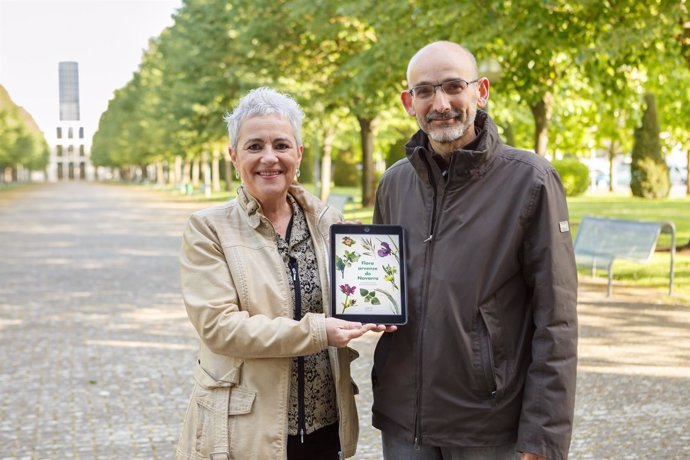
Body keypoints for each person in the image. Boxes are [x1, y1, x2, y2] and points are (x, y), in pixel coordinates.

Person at [371, 41, 578, 460]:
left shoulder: (532, 181)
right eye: (425, 91)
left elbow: (556, 319)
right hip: (403, 420)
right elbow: (381, 285)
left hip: (488, 424)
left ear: (480, 91)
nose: (441, 103)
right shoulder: (394, 183)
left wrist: (543, 436)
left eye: (453, 86)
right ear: (408, 102)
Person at [175, 87, 393, 460]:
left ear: (299, 153)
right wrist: (316, 331)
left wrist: (379, 304)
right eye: (254, 146)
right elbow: (219, 327)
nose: (269, 158)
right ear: (233, 156)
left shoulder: (330, 225)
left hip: (325, 428)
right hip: (247, 432)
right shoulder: (208, 229)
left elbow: (351, 300)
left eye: (281, 144)